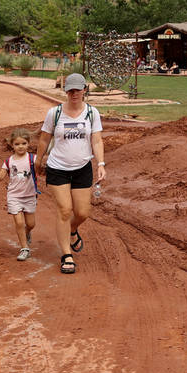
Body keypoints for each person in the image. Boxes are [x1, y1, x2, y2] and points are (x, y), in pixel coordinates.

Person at [37, 74, 106, 275]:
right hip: (58, 168)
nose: (74, 93)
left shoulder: (92, 113)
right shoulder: (55, 113)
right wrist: (38, 161)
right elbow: (44, 139)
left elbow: (97, 140)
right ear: (65, 90)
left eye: (77, 89)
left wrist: (100, 163)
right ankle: (66, 254)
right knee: (65, 210)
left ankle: (72, 230)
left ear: (85, 89)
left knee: (83, 212)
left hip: (82, 168)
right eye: (70, 90)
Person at [0, 128, 41, 261]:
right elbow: (1, 177)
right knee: (19, 222)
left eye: (23, 143)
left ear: (28, 143)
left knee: (31, 224)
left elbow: (41, 170)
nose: (20, 147)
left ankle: (27, 232)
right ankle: (24, 248)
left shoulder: (33, 159)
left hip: (30, 195)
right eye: (17, 144)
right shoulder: (9, 161)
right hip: (14, 196)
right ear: (12, 145)